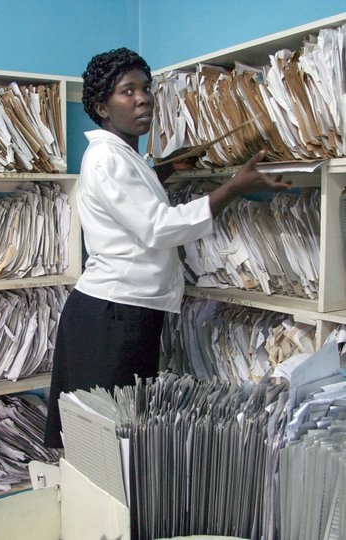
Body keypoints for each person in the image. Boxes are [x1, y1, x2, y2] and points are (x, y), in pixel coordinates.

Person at [44, 47, 291, 448]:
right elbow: (158, 228)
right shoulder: (109, 158)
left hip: (119, 311)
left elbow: (131, 194)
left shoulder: (123, 155)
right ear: (101, 107)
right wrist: (233, 188)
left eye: (146, 88)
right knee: (107, 438)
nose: (143, 98)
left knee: (115, 430)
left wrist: (163, 168)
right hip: (113, 315)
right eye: (128, 91)